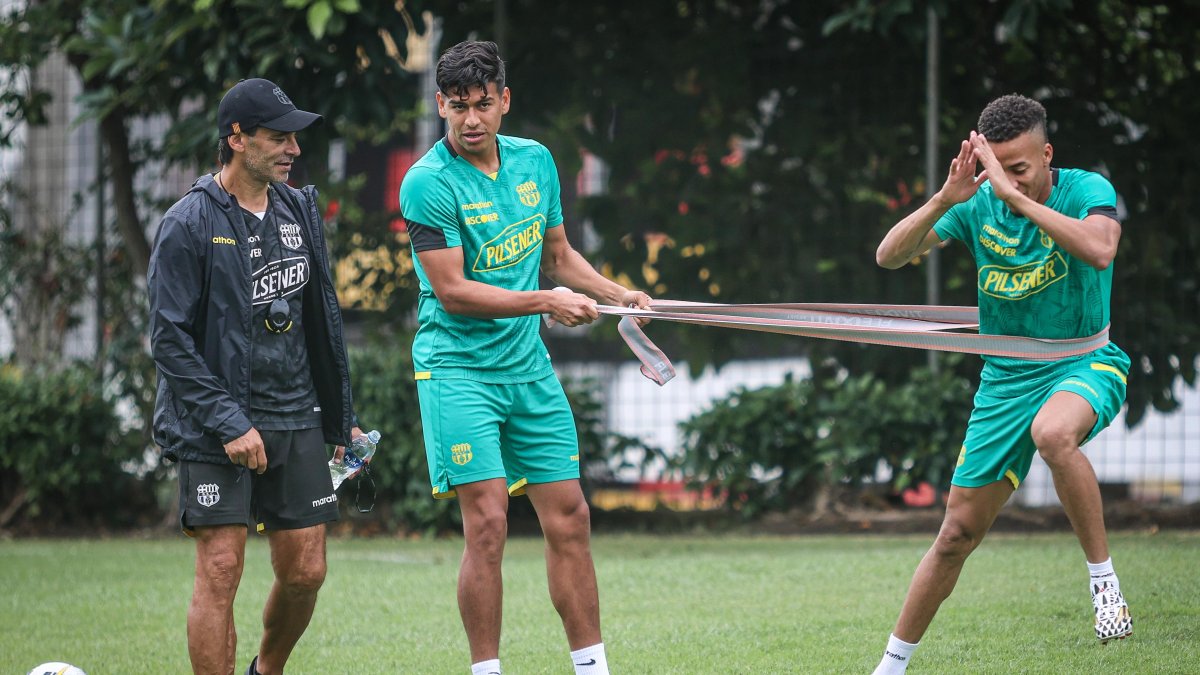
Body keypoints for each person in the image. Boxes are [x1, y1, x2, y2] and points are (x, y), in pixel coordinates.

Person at [399, 40, 650, 675]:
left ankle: (593, 668)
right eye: (458, 108)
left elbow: (560, 255)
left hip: (526, 369)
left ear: (505, 101)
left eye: (483, 104)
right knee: (487, 522)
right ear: (441, 106)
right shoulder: (426, 183)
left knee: (571, 516)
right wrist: (546, 302)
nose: (472, 119)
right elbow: (453, 293)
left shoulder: (535, 162)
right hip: (457, 368)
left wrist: (620, 294)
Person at [870, 93, 1133, 673]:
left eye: (1019, 168)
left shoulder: (1087, 189)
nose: (1008, 181)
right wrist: (947, 197)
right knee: (955, 535)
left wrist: (1014, 196)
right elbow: (889, 257)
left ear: (1047, 153)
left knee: (1053, 434)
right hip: (1004, 382)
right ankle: (889, 668)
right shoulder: (975, 203)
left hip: (1084, 360)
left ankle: (1103, 582)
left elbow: (1099, 250)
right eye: (998, 168)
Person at [149, 78, 365, 675]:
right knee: (221, 569)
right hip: (214, 422)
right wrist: (228, 422)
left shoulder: (298, 208)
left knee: (306, 571)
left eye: (294, 137)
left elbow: (320, 315)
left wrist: (340, 416)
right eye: (277, 137)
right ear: (236, 138)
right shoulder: (187, 222)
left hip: (295, 413)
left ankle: (265, 670)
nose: (292, 148)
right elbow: (169, 340)